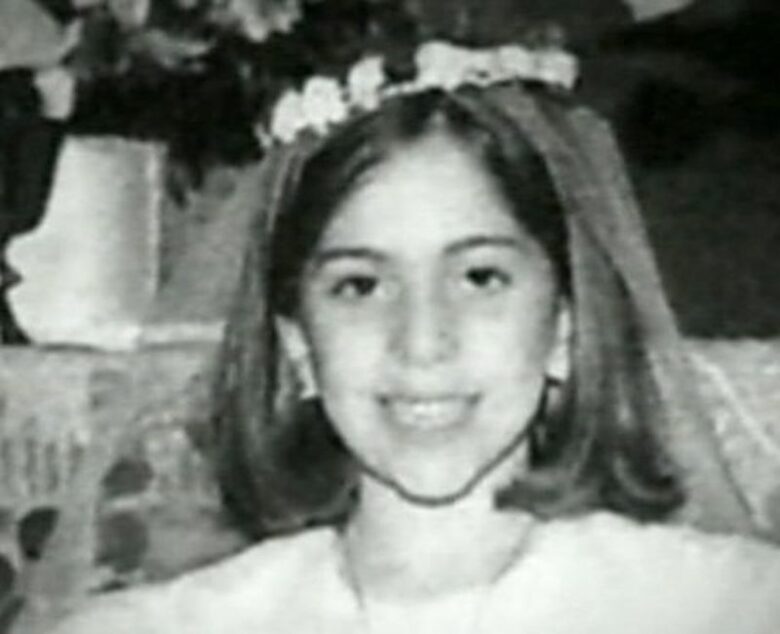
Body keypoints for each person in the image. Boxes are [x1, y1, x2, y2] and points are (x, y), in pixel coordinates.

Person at [47, 27, 780, 634]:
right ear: (299, 345)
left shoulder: (728, 608)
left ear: (564, 323)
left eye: (480, 277)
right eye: (361, 286)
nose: (422, 341)